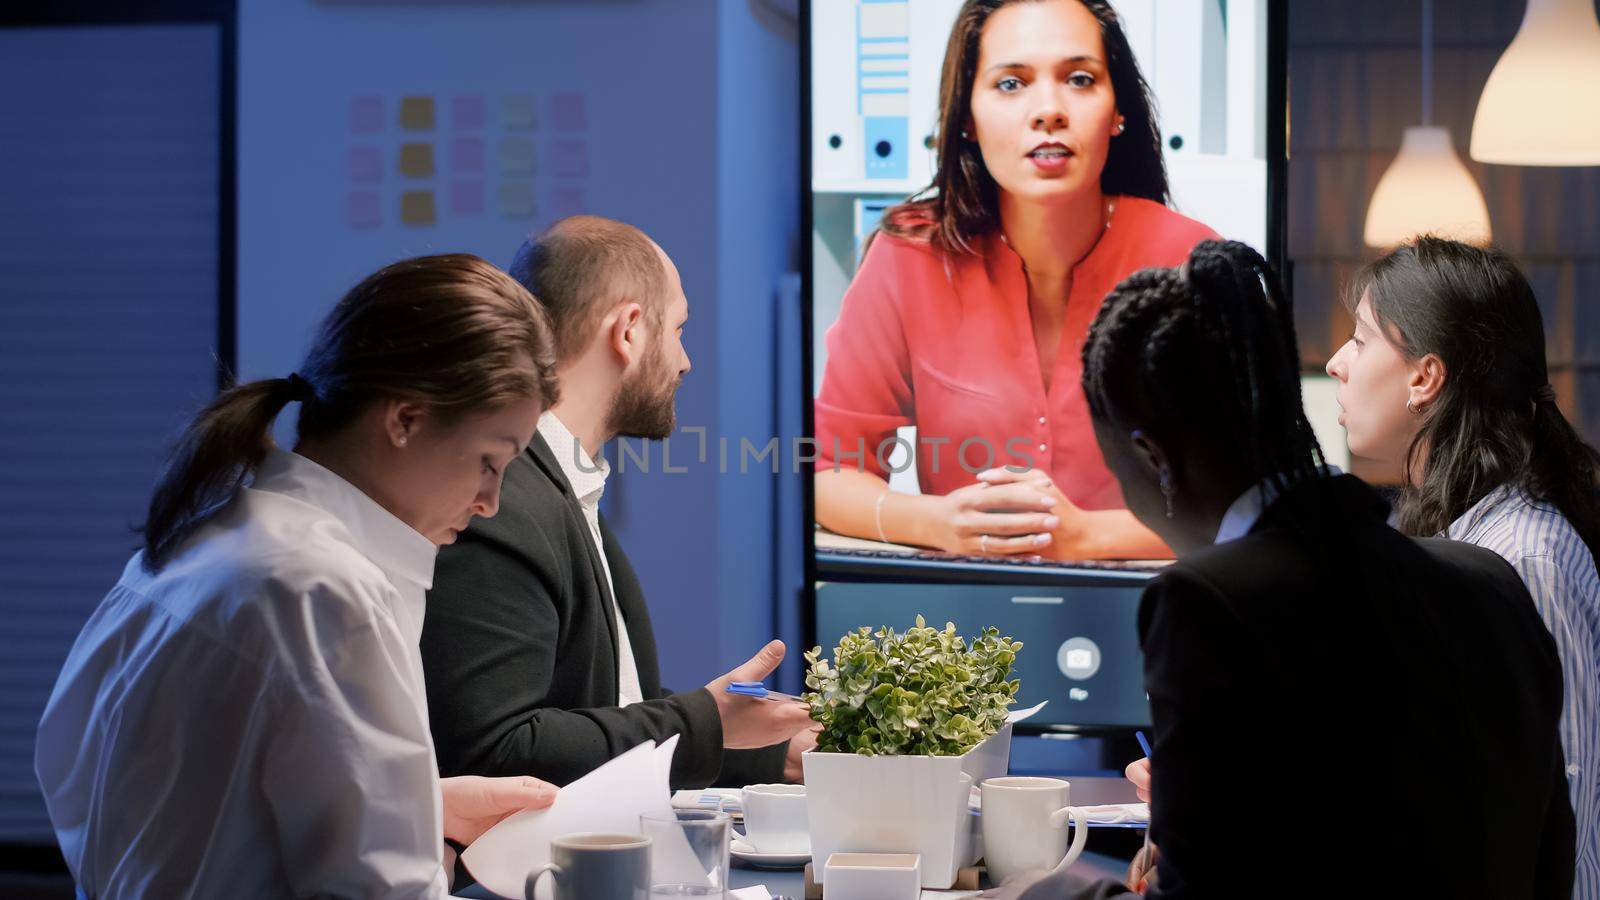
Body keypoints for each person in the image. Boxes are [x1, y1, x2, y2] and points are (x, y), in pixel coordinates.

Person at [989, 241, 1574, 899]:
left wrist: (1036, 890)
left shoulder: (1205, 602)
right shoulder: (1489, 580)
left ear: (1152, 458)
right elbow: (1543, 858)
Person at [34, 255, 563, 898]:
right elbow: (381, 892)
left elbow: (119, 791)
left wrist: (424, 803)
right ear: (404, 420)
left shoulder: (209, 538)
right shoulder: (324, 588)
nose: (490, 503)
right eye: (489, 461)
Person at [813, 0, 1219, 561]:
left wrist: (1086, 537)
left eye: (1080, 79)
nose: (1048, 109)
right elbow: (831, 470)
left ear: (1118, 108)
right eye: (1011, 83)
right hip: (959, 633)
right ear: (966, 118)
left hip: (1162, 616)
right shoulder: (909, 255)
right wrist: (937, 522)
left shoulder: (1194, 263)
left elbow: (1248, 500)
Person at [421, 216, 815, 791]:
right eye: (679, 330)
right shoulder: (502, 503)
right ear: (628, 331)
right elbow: (494, 748)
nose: (686, 362)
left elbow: (604, 711)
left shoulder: (554, 484)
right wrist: (704, 719)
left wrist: (770, 754)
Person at [1324, 235, 1600, 897]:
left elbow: (1571, 818)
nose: (1336, 363)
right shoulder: (1424, 523)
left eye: (1360, 342)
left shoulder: (1523, 558)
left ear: (1425, 376)